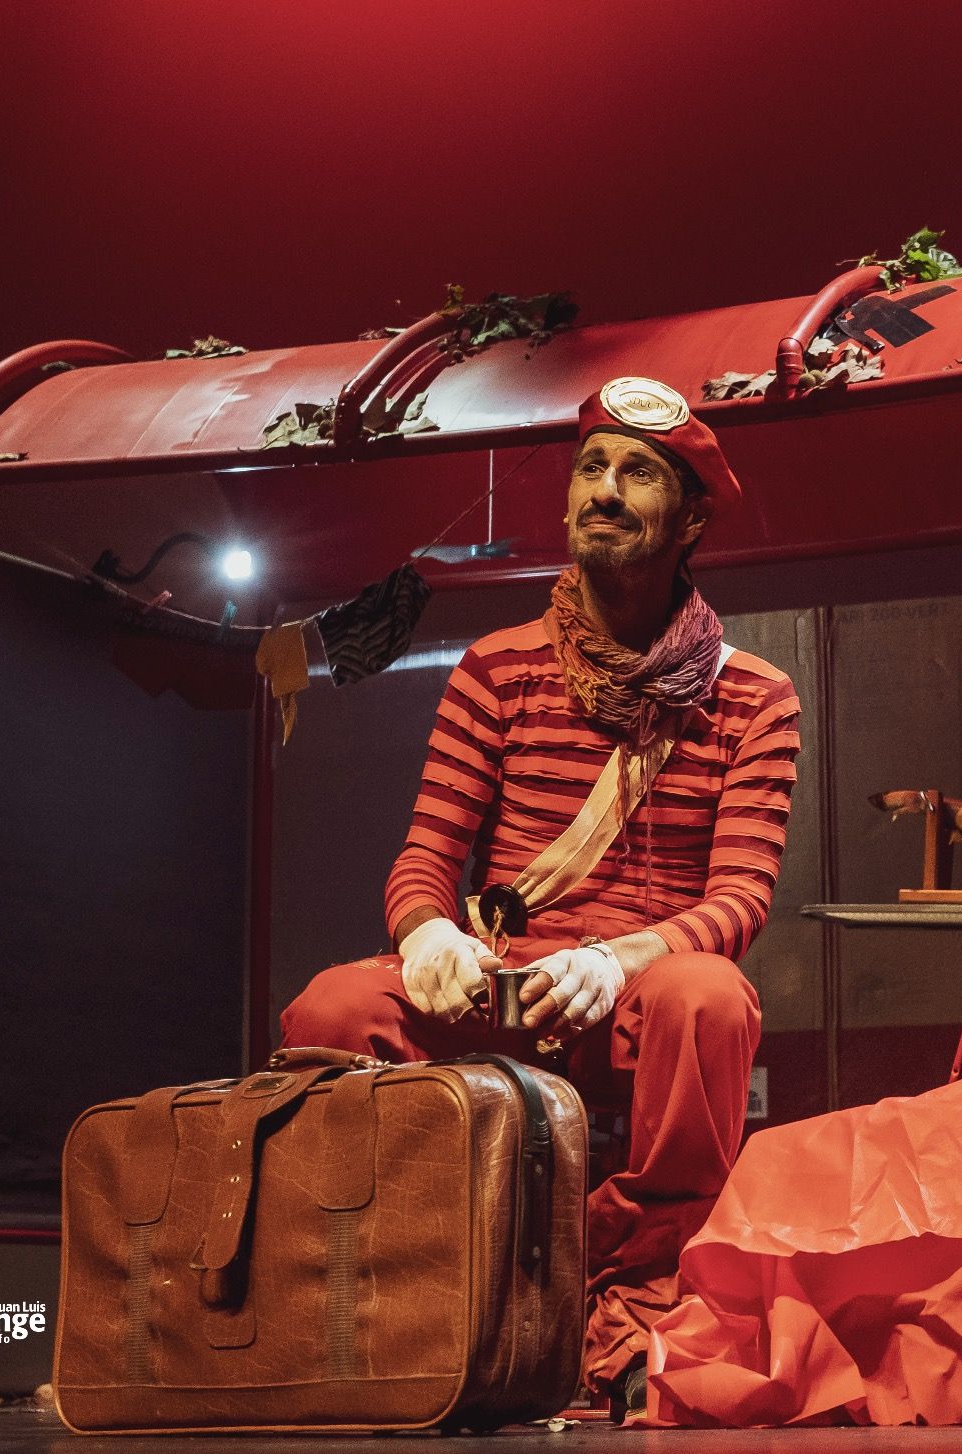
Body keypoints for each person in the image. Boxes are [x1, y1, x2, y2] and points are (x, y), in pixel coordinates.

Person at [279, 377, 800, 1413]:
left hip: (637, 995)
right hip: (505, 984)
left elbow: (740, 896)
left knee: (712, 994)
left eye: (638, 472)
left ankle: (638, 1295)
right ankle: (384, 1292)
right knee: (329, 1009)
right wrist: (427, 931)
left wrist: (614, 961)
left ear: (690, 515)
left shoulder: (755, 695)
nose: (604, 491)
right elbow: (427, 853)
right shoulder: (496, 667)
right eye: (591, 468)